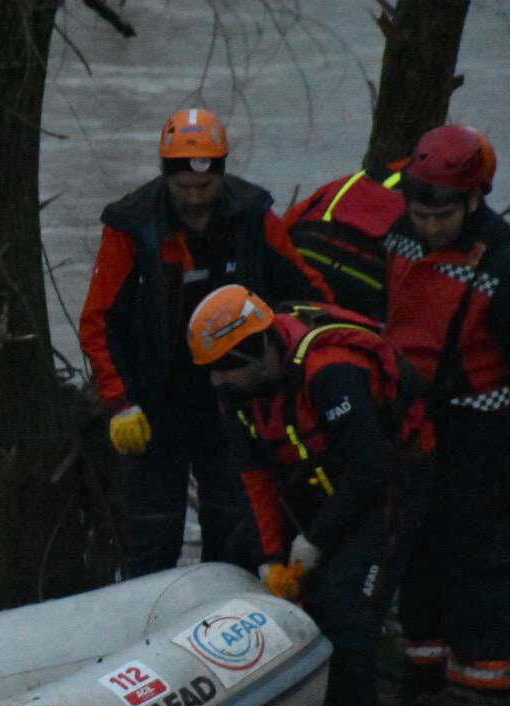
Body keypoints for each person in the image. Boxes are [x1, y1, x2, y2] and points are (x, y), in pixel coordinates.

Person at [79, 107, 331, 578]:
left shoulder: (254, 216)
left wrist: (290, 373)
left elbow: (309, 297)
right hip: (154, 403)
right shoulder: (132, 224)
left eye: (205, 185)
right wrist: (119, 402)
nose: (195, 197)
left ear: (222, 171)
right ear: (164, 175)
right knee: (151, 541)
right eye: (183, 186)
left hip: (236, 400)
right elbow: (98, 321)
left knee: (236, 532)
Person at [187, 285, 434, 706]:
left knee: (346, 604)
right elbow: (256, 476)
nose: (218, 382)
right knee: (234, 557)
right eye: (210, 371)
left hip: (389, 479)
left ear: (258, 352)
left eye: (225, 369)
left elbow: (371, 469)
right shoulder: (237, 391)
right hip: (321, 475)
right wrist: (272, 557)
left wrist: (314, 542)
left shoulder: (331, 373)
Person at [382, 125, 510, 696]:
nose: (431, 229)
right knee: (416, 553)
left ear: (474, 199)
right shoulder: (400, 237)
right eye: (421, 215)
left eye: (443, 218)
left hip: (481, 434)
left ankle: (483, 688)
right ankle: (423, 677)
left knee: (480, 565)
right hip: (413, 427)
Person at [284, 130, 510, 320]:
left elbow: (280, 232)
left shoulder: (349, 183)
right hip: (357, 315)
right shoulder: (440, 219)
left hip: (288, 297)